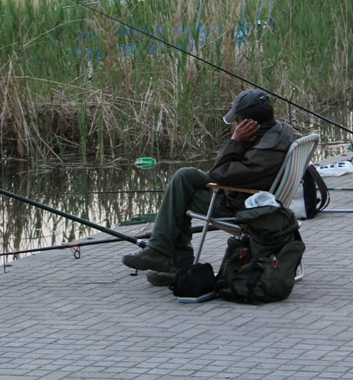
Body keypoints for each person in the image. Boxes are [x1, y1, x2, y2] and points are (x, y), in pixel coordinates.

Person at [122, 89, 301, 285]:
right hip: (252, 193)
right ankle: (160, 253)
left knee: (181, 196)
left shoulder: (264, 154)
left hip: (242, 206)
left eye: (237, 120)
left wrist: (236, 141)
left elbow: (220, 173)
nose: (236, 124)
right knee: (185, 175)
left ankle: (171, 261)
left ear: (248, 123)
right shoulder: (281, 131)